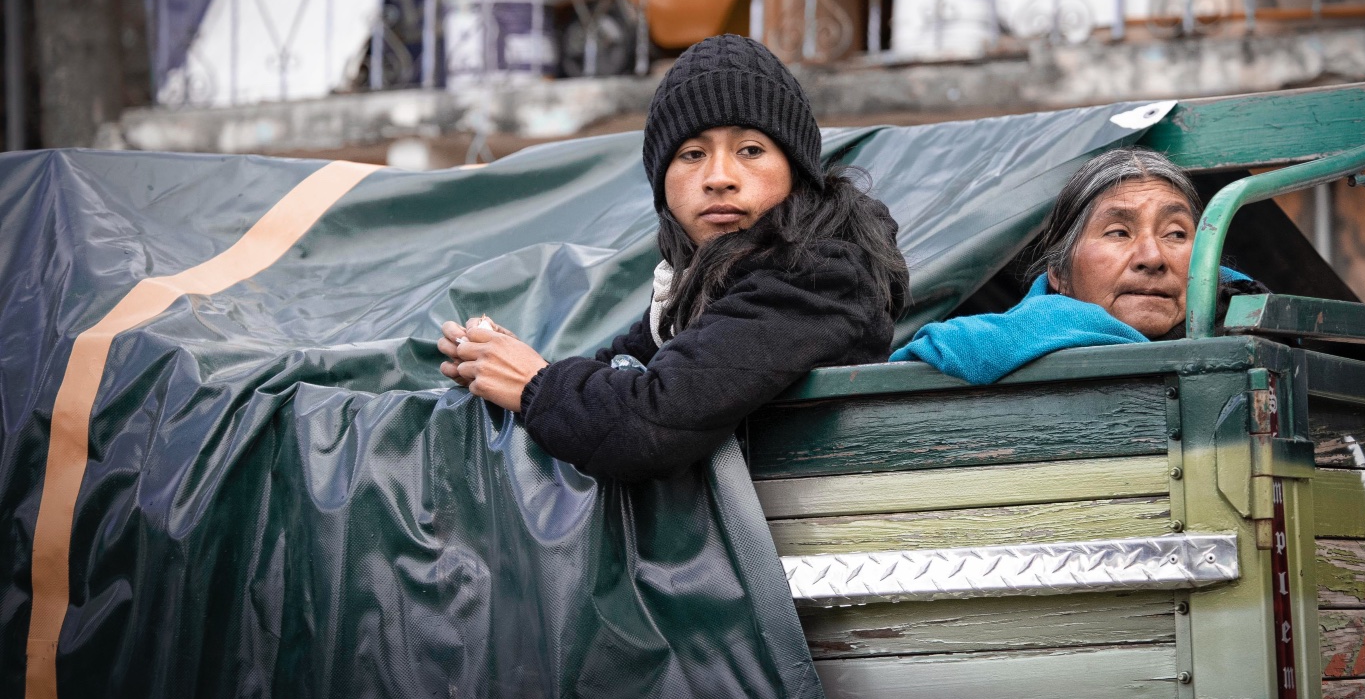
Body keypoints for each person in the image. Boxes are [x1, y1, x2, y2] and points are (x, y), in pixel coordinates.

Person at [438, 34, 909, 481]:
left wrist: (532, 383)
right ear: (662, 184)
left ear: (797, 173)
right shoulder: (699, 283)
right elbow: (620, 366)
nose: (719, 177)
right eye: (691, 154)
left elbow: (649, 425)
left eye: (750, 150)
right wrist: (501, 362)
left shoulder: (817, 279)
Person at [891, 147, 1262, 385]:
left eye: (1176, 234)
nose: (1152, 257)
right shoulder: (983, 345)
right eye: (1118, 232)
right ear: (1060, 274)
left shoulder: (1260, 334)